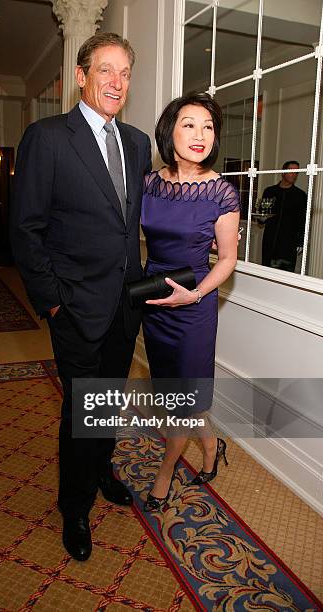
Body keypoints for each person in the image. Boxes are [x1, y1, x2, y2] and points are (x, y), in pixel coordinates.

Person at [10, 33, 151, 561]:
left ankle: (101, 471)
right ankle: (74, 506)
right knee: (83, 408)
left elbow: (131, 223)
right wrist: (50, 301)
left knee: (110, 403)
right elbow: (26, 229)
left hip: (125, 303)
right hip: (73, 305)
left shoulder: (137, 143)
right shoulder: (46, 138)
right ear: (81, 76)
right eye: (105, 70)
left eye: (124, 73)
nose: (116, 82)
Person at [141, 92, 240, 511]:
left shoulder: (222, 193)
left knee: (184, 399)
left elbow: (229, 259)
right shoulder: (148, 183)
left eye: (208, 127)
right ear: (170, 130)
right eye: (189, 124)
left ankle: (165, 476)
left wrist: (197, 294)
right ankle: (212, 445)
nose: (200, 135)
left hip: (194, 303)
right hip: (155, 298)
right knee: (174, 393)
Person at [261, 161, 306, 272]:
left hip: (289, 243)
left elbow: (303, 220)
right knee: (267, 272)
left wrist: (300, 242)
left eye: (296, 172)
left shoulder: (300, 195)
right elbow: (262, 214)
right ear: (283, 172)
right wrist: (261, 220)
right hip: (270, 240)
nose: (294, 175)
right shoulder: (269, 191)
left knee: (286, 274)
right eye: (291, 171)